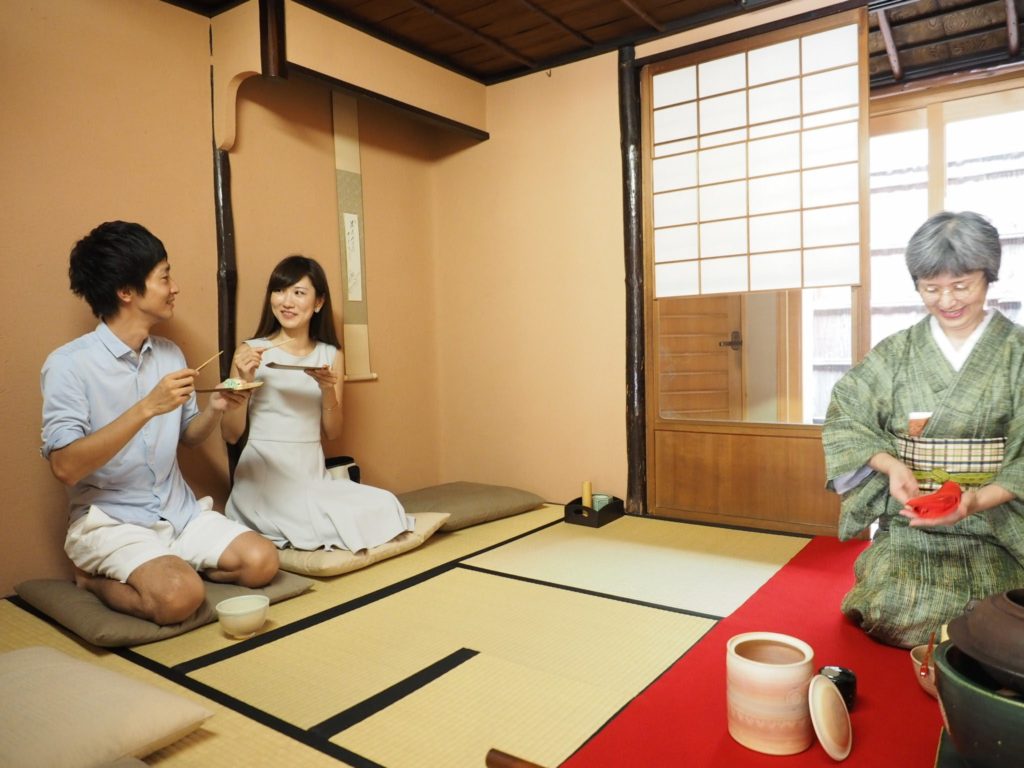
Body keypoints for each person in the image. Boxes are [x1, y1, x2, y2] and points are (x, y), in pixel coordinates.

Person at [41, 221, 279, 626]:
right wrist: (146, 407)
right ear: (126, 291)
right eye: (164, 276)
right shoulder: (68, 365)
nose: (175, 287)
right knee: (179, 599)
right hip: (112, 522)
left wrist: (217, 407)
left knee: (262, 563)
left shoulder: (169, 353)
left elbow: (188, 436)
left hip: (178, 512)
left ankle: (172, 562)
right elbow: (65, 467)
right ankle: (93, 580)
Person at [822, 210, 1024, 648]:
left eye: (961, 285)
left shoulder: (1016, 352)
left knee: (999, 611)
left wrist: (976, 501)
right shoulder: (897, 353)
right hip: (913, 523)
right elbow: (846, 414)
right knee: (894, 603)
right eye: (931, 288)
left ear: (988, 278)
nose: (947, 300)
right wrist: (891, 465)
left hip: (997, 523)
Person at [222, 255, 412, 551]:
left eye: (299, 293)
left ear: (318, 302)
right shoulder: (250, 351)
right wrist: (243, 381)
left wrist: (327, 390)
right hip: (263, 475)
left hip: (311, 474)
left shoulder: (330, 355)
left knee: (384, 504)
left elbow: (333, 432)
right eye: (280, 291)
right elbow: (230, 434)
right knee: (323, 522)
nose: (286, 301)